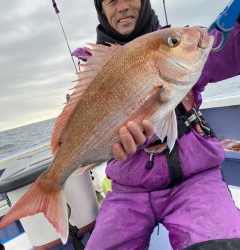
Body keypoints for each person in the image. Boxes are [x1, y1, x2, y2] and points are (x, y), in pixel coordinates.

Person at [73, 0, 240, 249]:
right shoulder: (95, 69)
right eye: (111, 1)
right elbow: (83, 125)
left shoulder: (181, 45)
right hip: (128, 192)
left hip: (194, 180)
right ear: (102, 10)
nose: (121, 7)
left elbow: (224, 48)